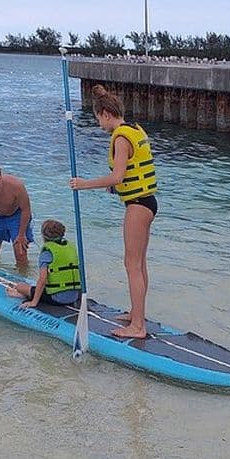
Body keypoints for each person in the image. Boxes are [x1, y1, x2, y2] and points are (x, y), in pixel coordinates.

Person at [68, 84, 157, 339]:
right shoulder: (135, 129)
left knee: (131, 265)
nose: (99, 124)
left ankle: (138, 326)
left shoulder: (119, 137)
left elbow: (117, 177)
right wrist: (116, 188)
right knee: (139, 263)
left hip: (138, 206)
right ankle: (135, 313)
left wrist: (83, 184)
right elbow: (129, 174)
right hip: (147, 202)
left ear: (106, 113)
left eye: (98, 118)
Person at [6, 219, 81, 308]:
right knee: (34, 288)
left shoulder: (47, 252)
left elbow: (42, 280)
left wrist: (34, 302)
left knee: (20, 286)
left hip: (57, 299)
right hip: (74, 297)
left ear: (44, 235)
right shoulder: (71, 247)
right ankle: (27, 294)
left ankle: (23, 295)